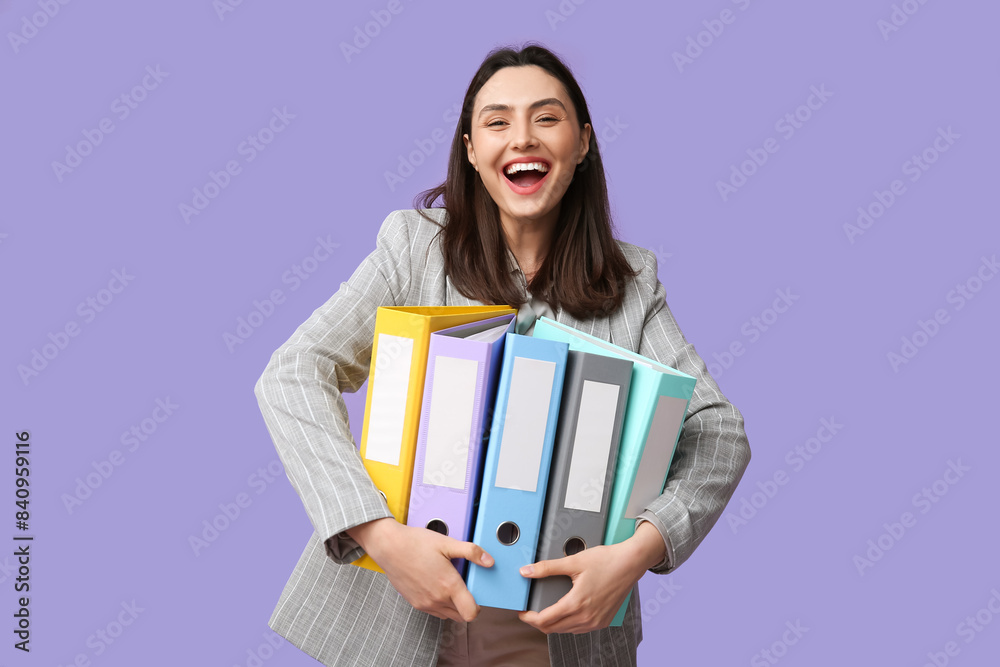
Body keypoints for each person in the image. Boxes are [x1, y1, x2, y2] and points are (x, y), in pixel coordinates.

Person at [254, 42, 750, 667]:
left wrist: (635, 554)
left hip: (554, 636)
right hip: (395, 625)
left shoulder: (630, 285)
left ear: (584, 141)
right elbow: (295, 372)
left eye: (547, 118)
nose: (523, 138)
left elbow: (718, 433)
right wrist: (379, 537)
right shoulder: (414, 250)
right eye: (497, 122)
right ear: (470, 149)